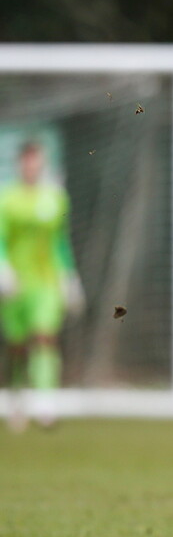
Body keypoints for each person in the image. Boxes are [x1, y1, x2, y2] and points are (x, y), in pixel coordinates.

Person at [0, 141, 83, 432]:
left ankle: (46, 402)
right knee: (17, 346)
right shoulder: (7, 199)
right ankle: (16, 395)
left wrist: (69, 276)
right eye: (28, 161)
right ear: (20, 164)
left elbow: (60, 240)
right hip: (16, 282)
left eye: (37, 161)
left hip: (46, 282)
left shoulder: (55, 198)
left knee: (45, 336)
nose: (32, 167)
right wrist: (3, 268)